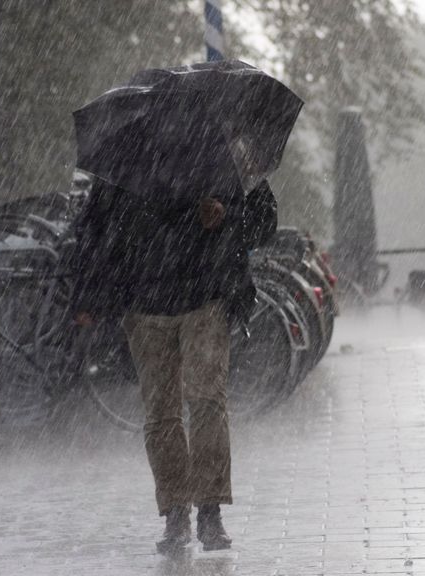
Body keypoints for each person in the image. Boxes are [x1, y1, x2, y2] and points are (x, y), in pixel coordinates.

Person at [71, 175, 276, 554]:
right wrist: (87, 295)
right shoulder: (126, 160)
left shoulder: (222, 151)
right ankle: (176, 512)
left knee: (206, 403)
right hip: (144, 303)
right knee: (161, 413)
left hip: (207, 298)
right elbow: (94, 227)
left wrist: (226, 215)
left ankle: (209, 512)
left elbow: (264, 223)